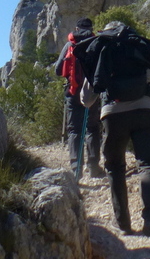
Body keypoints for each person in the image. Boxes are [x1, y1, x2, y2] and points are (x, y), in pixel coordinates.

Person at [78, 21, 150, 250]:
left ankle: (124, 223)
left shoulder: (102, 50)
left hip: (113, 114)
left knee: (115, 166)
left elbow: (87, 98)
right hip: (146, 111)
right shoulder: (140, 48)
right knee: (148, 165)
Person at [53, 17, 104, 179]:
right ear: (91, 28)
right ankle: (94, 167)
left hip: (73, 90)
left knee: (74, 129)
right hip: (91, 92)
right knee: (93, 128)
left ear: (76, 28)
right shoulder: (96, 43)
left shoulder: (70, 44)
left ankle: (76, 169)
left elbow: (58, 69)